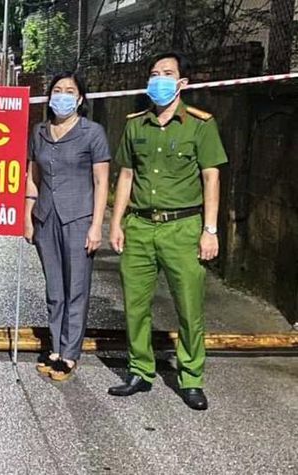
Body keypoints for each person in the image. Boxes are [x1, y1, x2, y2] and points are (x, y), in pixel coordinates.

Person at [107, 52, 228, 410]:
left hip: (183, 228)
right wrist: (116, 222)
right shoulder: (135, 125)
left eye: (167, 73)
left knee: (189, 307)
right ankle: (140, 370)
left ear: (182, 83)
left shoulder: (200, 125)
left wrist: (210, 230)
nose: (159, 79)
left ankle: (191, 377)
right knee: (135, 306)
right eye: (154, 73)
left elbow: (211, 177)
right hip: (140, 226)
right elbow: (126, 175)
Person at [24, 72, 111, 381]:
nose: (62, 96)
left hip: (78, 218)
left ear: (80, 98)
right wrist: (28, 217)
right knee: (54, 290)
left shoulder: (92, 133)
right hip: (46, 218)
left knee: (76, 289)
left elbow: (101, 181)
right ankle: (56, 346)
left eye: (69, 91)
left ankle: (70, 354)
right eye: (57, 90)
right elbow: (33, 176)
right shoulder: (39, 132)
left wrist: (96, 226)